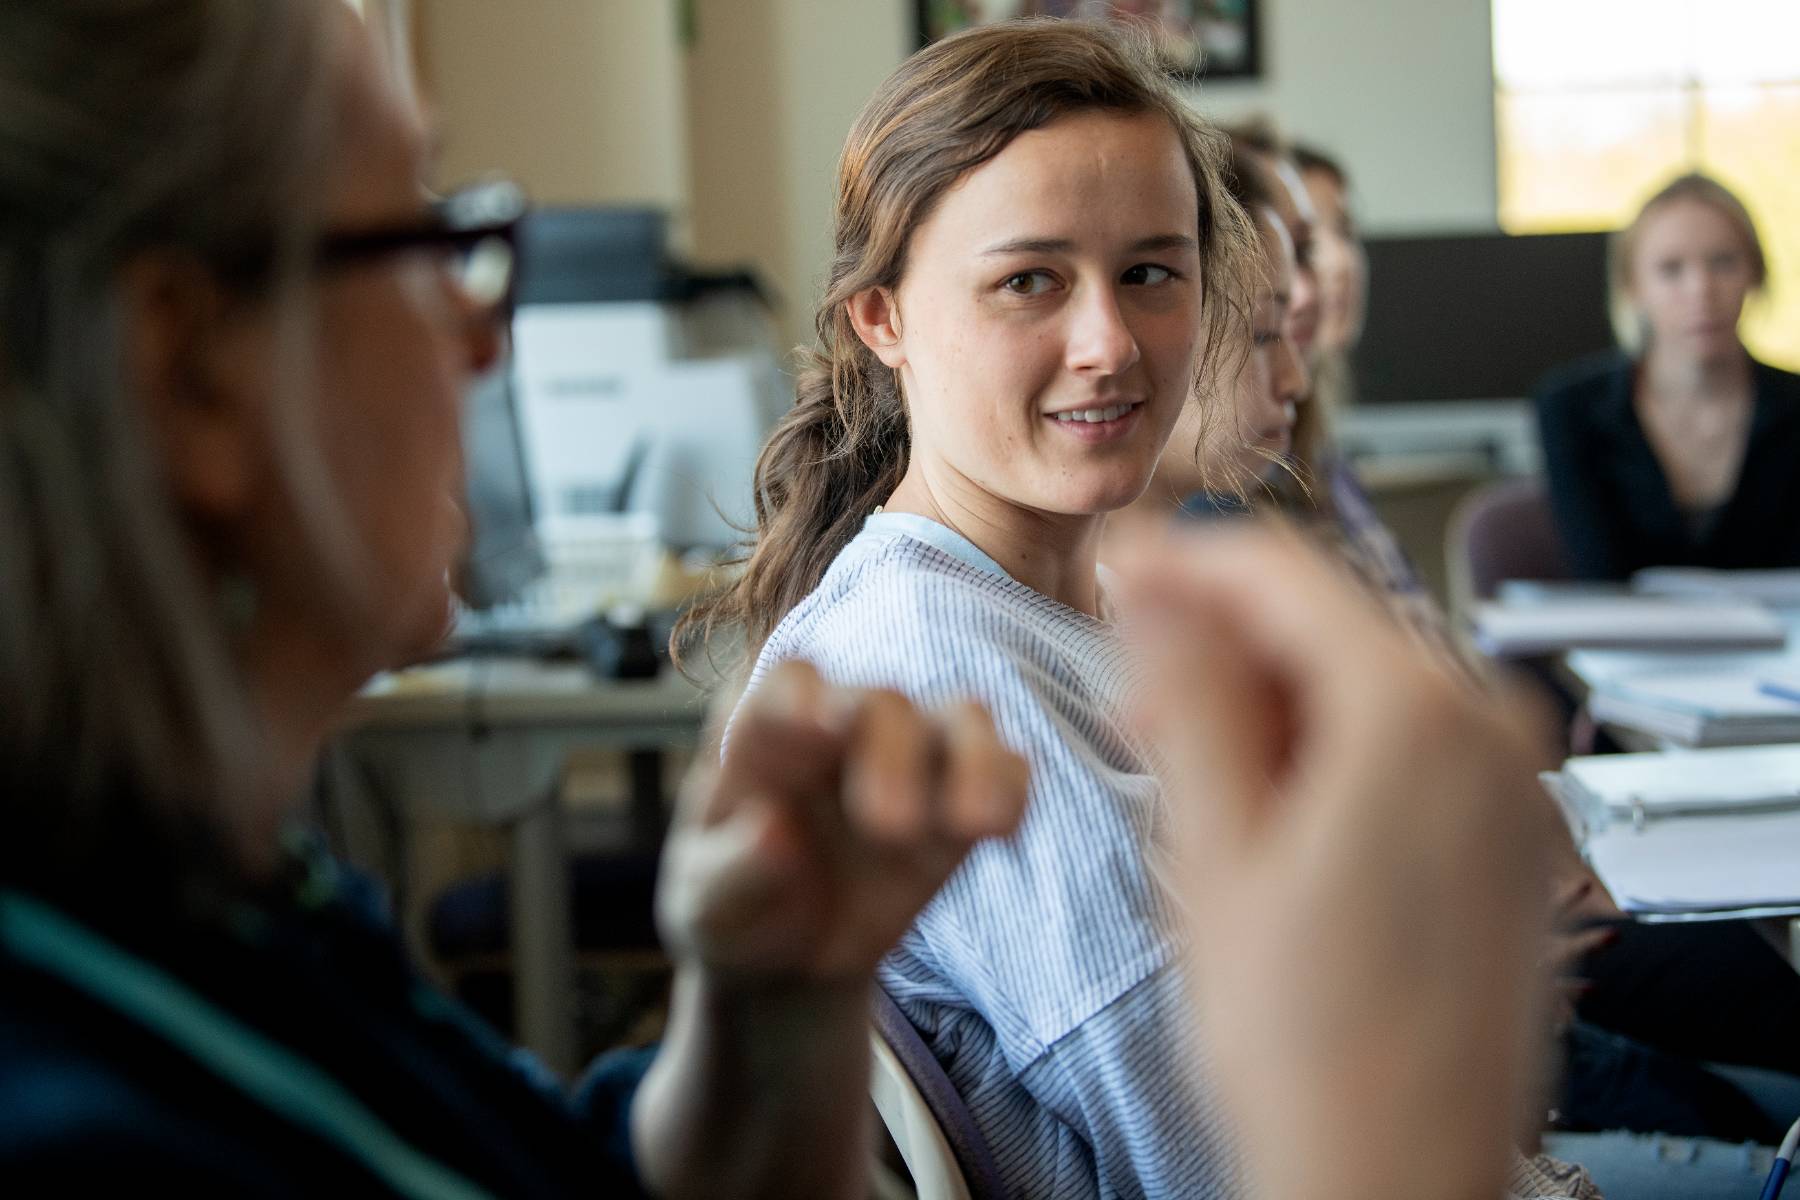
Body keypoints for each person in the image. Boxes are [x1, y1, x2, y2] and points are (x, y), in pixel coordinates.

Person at [0, 4, 1032, 1196]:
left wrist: (772, 1009)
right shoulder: (80, 1138)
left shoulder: (225, 889)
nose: (483, 334)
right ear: (188, 374)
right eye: (424, 236)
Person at [679, 18, 1264, 1197]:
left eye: (1151, 272)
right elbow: (1227, 1159)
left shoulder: (1061, 612)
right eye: (1028, 282)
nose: (1108, 342)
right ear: (881, 319)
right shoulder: (939, 660)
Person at [1536, 172, 1800, 581]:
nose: (1701, 290)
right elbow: (1599, 576)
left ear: (1755, 273)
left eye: (1723, 262)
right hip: (1625, 642)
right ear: (1633, 286)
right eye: (1671, 269)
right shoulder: (1570, 408)